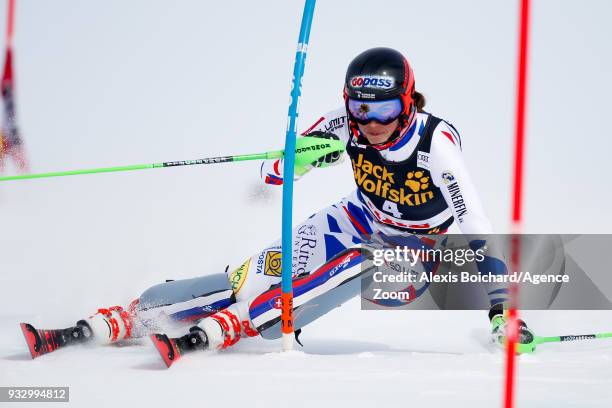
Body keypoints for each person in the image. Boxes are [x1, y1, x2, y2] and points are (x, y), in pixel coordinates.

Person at [22, 47, 532, 357]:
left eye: (384, 108)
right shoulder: (343, 123)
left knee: (364, 263)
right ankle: (136, 315)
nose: (370, 121)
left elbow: (476, 226)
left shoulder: (436, 145)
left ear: (408, 101)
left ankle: (247, 323)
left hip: (423, 251)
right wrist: (299, 156)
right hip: (357, 218)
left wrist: (500, 310)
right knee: (249, 277)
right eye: (360, 106)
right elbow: (272, 173)